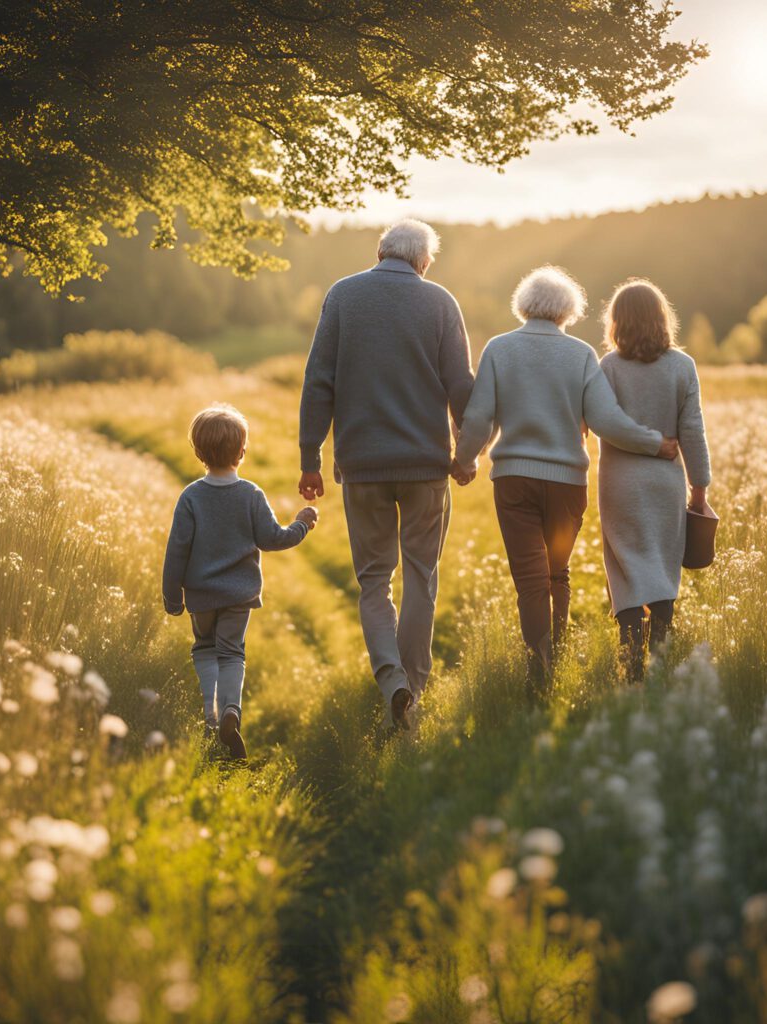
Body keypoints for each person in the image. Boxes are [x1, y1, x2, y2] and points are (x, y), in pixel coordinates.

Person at [452, 266, 679, 687]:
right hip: (567, 484)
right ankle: (553, 660)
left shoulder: (499, 349)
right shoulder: (580, 355)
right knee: (557, 572)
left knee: (530, 579)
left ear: (524, 305)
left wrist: (464, 459)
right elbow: (606, 420)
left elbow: (480, 416)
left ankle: (541, 672)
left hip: (514, 481)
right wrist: (655, 443)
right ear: (568, 310)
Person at [298, 219, 474, 728]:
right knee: (421, 575)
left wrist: (310, 459)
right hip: (426, 468)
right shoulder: (440, 301)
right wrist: (466, 451)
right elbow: (459, 384)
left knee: (375, 581)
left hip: (362, 465)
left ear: (380, 252)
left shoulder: (342, 296)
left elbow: (318, 382)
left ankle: (391, 680)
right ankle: (413, 692)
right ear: (424, 262)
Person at [162, 404, 318, 759]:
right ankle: (232, 709)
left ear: (198, 451)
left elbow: (177, 552)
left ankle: (211, 718)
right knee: (232, 653)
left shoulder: (191, 497)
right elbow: (273, 538)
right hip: (239, 595)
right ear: (242, 451)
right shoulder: (251, 494)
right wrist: (303, 524)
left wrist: (173, 597)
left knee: (204, 649)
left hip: (201, 596)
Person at [598, 279, 712, 680]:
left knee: (625, 567)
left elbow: (603, 424)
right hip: (666, 484)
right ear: (662, 318)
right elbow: (693, 430)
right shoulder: (683, 366)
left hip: (619, 484)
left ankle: (630, 668)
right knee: (663, 570)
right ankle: (661, 666)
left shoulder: (608, 367)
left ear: (617, 321)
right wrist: (699, 490)